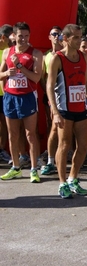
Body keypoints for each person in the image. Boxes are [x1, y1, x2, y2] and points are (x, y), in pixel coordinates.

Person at [46, 24, 87, 198]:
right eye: (75, 37)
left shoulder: (84, 56)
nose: (79, 40)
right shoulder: (57, 58)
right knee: (64, 145)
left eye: (80, 36)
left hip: (80, 108)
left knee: (84, 145)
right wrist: (55, 111)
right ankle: (62, 183)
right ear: (66, 39)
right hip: (64, 109)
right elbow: (49, 86)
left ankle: (72, 178)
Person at [0, 22, 43, 183]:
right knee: (13, 134)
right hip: (10, 96)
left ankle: (33, 169)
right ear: (14, 36)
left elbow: (37, 78)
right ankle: (16, 167)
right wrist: (6, 73)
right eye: (20, 36)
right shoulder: (7, 52)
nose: (23, 39)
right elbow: (0, 74)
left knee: (30, 134)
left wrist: (20, 67)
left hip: (27, 97)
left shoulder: (36, 54)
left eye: (26, 36)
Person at [40, 26, 63, 175]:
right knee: (53, 127)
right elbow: (43, 78)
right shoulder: (45, 56)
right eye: (54, 34)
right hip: (51, 98)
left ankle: (64, 154)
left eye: (59, 34)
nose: (57, 36)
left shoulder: (64, 54)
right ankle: (50, 160)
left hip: (66, 97)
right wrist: (49, 96)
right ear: (49, 37)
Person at [0, 24, 13, 164]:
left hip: (5, 94)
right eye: (10, 40)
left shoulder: (9, 52)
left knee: (4, 124)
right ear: (3, 38)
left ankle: (1, 150)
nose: (12, 43)